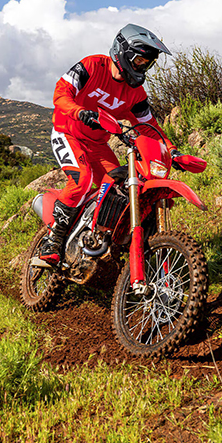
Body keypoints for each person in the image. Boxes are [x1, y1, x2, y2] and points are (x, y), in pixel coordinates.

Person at [40, 23, 178, 266]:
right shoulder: (91, 65)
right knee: (81, 180)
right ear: (122, 52)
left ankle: (95, 237)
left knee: (118, 188)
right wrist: (79, 111)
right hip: (67, 132)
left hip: (97, 144)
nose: (143, 67)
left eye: (148, 64)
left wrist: (171, 150)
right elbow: (61, 93)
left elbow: (150, 127)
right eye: (139, 61)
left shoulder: (136, 94)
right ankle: (53, 239)